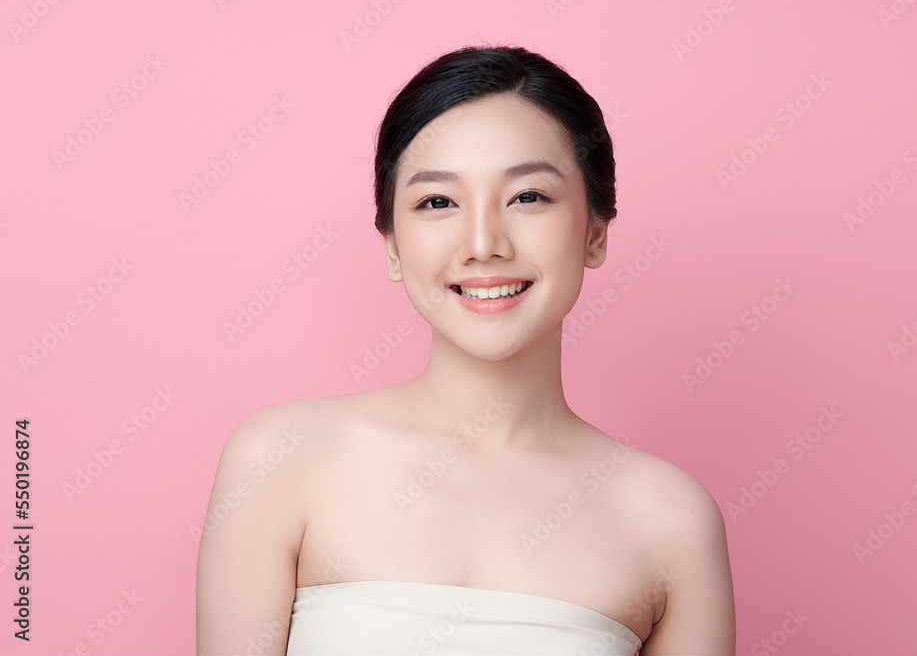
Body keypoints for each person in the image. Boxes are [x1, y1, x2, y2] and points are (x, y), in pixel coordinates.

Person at [196, 44, 736, 655]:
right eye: (438, 202)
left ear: (595, 232)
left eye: (528, 196)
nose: (483, 244)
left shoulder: (671, 521)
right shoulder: (282, 458)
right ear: (393, 245)